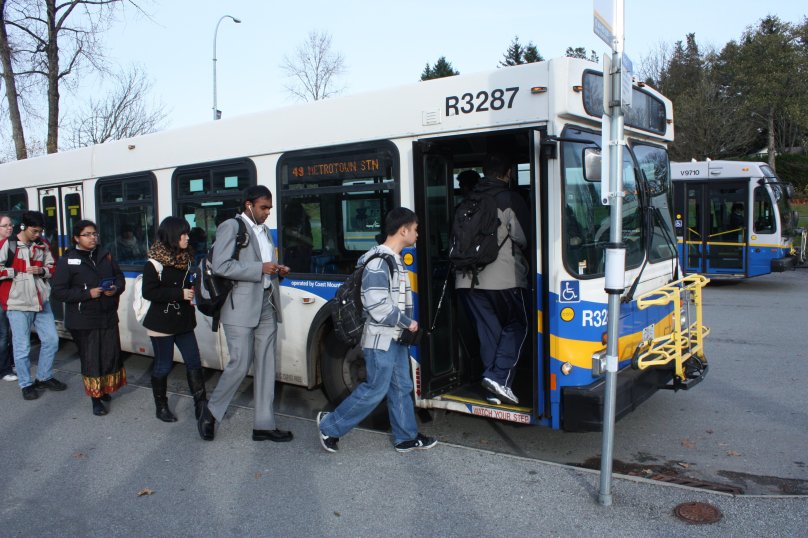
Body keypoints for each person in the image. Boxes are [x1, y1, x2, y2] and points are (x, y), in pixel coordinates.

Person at [317, 207, 437, 453]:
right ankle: (330, 426)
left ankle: (405, 437)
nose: (417, 234)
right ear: (403, 230)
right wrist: (407, 322)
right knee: (375, 389)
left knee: (401, 387)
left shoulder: (393, 259)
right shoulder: (379, 263)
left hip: (395, 338)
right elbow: (377, 305)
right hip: (380, 339)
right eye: (415, 229)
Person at [197, 185, 293, 443]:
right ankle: (211, 412)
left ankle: (264, 424)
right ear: (249, 205)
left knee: (266, 365)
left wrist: (276, 270)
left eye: (270, 208)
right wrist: (259, 268)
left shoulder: (265, 232)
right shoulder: (231, 226)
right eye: (264, 207)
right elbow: (221, 265)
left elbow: (264, 265)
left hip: (266, 303)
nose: (268, 212)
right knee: (239, 363)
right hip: (238, 307)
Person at [455, 153, 530, 406]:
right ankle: (498, 377)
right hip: (505, 279)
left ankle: (493, 389)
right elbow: (524, 237)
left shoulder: (467, 201)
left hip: (466, 279)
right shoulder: (509, 198)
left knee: (489, 332)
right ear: (508, 173)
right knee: (519, 325)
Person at [51, 220, 126, 416]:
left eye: (94, 234)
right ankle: (95, 399)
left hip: (107, 315)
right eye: (87, 234)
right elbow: (58, 292)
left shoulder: (106, 254)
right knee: (92, 359)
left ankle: (104, 389)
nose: (93, 238)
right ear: (76, 238)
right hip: (83, 319)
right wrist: (87, 294)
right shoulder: (67, 260)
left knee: (109, 355)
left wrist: (115, 288)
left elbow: (119, 278)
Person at [141, 216, 208, 423]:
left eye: (187, 233)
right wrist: (180, 294)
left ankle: (201, 407)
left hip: (183, 320)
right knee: (163, 366)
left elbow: (188, 283)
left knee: (194, 362)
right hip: (161, 323)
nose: (187, 237)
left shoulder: (186, 258)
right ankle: (161, 406)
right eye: (183, 234)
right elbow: (149, 292)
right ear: (172, 236)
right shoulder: (154, 263)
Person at [0, 210, 65, 400]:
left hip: (41, 301)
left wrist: (41, 271)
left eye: (40, 231)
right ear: (23, 227)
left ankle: (44, 377)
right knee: (22, 347)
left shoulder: (42, 245)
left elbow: (53, 267)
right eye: (34, 231)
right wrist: (11, 272)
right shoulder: (8, 244)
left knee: (52, 340)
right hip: (17, 303)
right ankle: (26, 384)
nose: (38, 234)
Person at [0, 214, 15, 382]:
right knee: (4, 333)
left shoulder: (12, 244)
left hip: (11, 294)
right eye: (5, 225)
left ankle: (11, 362)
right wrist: (12, 272)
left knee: (11, 332)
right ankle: (4, 369)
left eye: (10, 224)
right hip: (1, 295)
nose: (9, 228)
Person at [282, 201, 313, 273]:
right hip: (292, 257)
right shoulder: (285, 228)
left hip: (304, 256)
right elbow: (285, 245)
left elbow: (310, 242)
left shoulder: (305, 224)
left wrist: (297, 235)